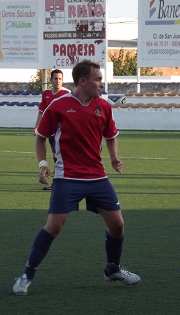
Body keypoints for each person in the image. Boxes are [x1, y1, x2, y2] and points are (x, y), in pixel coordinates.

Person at [13, 60, 140, 296]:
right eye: (98, 79)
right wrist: (43, 165)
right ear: (83, 82)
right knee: (53, 226)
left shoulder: (104, 106)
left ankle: (112, 269)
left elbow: (110, 135)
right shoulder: (59, 106)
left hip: (97, 177)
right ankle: (26, 275)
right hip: (67, 177)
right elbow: (40, 137)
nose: (101, 83)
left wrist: (113, 158)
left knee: (117, 225)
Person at [34, 69, 70, 190]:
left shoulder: (67, 94)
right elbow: (41, 112)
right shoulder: (46, 94)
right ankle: (60, 182)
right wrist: (37, 127)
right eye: (56, 78)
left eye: (60, 79)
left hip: (62, 131)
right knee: (57, 156)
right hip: (50, 131)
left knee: (57, 156)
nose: (58, 81)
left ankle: (59, 183)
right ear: (51, 80)